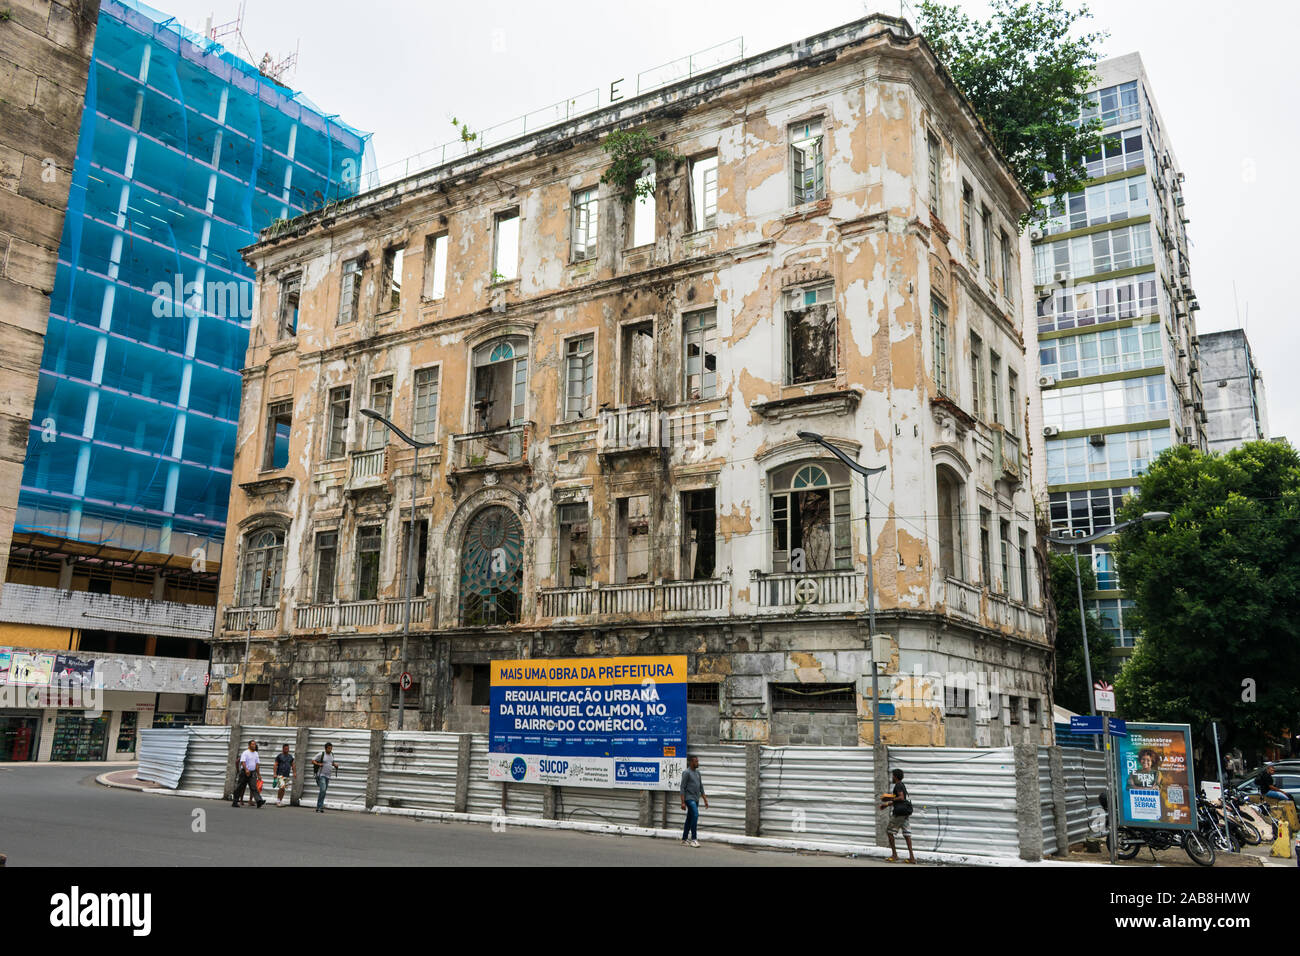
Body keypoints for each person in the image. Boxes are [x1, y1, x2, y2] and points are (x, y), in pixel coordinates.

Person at [880, 768, 916, 863]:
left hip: (899, 814)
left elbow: (901, 797)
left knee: (889, 831)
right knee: (907, 834)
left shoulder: (898, 785)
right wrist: (887, 803)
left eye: (892, 775)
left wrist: (888, 800)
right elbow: (901, 799)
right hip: (905, 813)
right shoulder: (902, 785)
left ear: (895, 777)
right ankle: (912, 858)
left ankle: (895, 855)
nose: (892, 777)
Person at [680, 754, 708, 847]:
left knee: (689, 818)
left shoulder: (697, 773)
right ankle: (694, 839)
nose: (697, 763)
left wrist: (705, 799)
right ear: (691, 762)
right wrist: (683, 802)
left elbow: (701, 786)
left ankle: (684, 839)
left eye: (697, 761)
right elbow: (682, 787)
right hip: (689, 798)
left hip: (696, 798)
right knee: (695, 814)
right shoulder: (686, 773)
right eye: (696, 761)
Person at [231, 739, 265, 809]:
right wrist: (246, 769)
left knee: (254, 787)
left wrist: (258, 774)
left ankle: (259, 801)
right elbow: (243, 762)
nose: (254, 745)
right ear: (249, 745)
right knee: (240, 787)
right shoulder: (245, 753)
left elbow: (257, 764)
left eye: (255, 744)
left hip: (252, 773)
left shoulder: (256, 753)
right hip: (244, 773)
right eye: (252, 744)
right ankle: (235, 801)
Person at [312, 742, 341, 813]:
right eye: (329, 748)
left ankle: (320, 807)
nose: (330, 750)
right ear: (325, 748)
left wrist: (335, 765)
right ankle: (319, 807)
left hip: (328, 776)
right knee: (323, 790)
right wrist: (318, 764)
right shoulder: (321, 754)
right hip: (321, 775)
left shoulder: (332, 755)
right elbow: (313, 760)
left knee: (324, 791)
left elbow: (331, 762)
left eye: (331, 748)